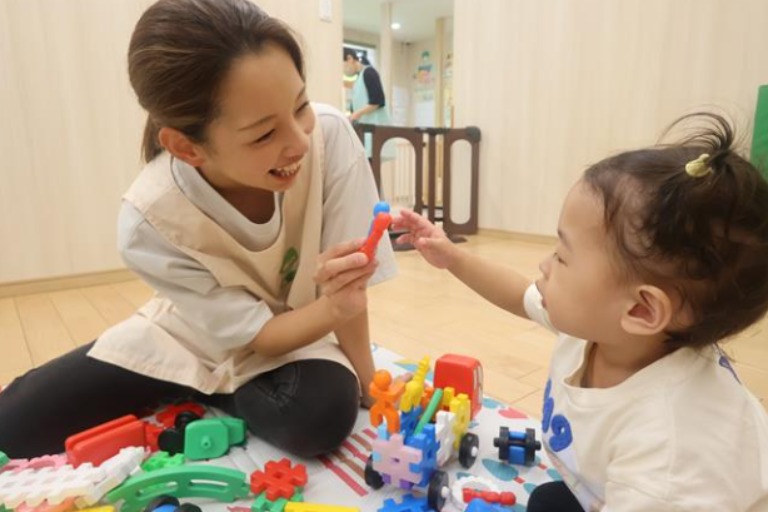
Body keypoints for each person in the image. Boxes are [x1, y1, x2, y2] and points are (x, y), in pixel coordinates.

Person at [0, 0, 396, 460]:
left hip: (298, 334)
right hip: (189, 336)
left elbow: (345, 292)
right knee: (12, 427)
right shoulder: (150, 217)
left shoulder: (330, 137)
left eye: (300, 105)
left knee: (318, 417)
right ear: (186, 147)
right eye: (264, 135)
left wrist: (369, 380)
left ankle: (206, 390)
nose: (299, 142)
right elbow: (264, 331)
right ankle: (194, 384)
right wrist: (333, 307)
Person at [392, 113, 768, 511]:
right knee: (548, 501)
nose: (544, 265)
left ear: (642, 310)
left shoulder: (668, 457)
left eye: (562, 256)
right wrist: (452, 257)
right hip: (602, 486)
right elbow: (519, 294)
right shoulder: (612, 327)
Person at [343, 48, 392, 160]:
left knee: (371, 166)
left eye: (343, 66)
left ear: (350, 59)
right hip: (364, 133)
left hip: (374, 132)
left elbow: (378, 100)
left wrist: (355, 115)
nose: (343, 71)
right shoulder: (358, 79)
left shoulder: (369, 73)